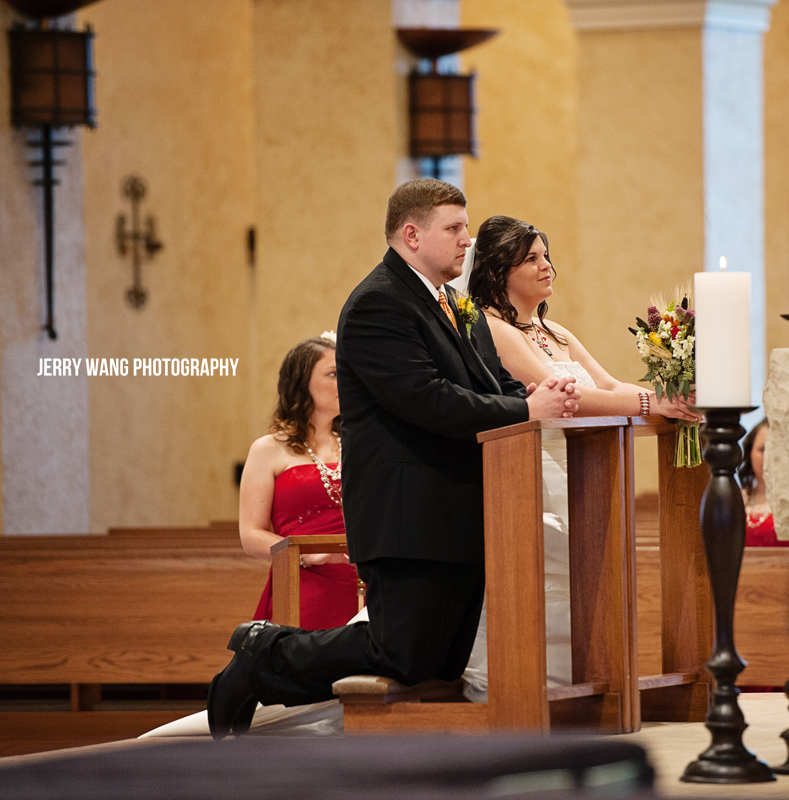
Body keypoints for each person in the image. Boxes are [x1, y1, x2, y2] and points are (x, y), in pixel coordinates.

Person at [206, 180, 580, 739]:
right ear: (412, 234)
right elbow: (424, 398)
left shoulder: (457, 305)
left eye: (465, 227)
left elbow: (490, 382)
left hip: (460, 506)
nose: (465, 239)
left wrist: (534, 396)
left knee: (439, 664)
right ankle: (264, 655)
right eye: (453, 228)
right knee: (399, 653)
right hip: (409, 512)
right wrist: (526, 408)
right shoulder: (378, 302)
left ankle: (269, 656)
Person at [461, 215, 698, 700]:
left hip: (587, 471)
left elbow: (609, 386)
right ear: (498, 271)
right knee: (545, 576)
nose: (547, 266)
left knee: (585, 577)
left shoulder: (557, 332)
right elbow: (567, 395)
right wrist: (654, 403)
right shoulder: (492, 329)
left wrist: (674, 397)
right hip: (534, 469)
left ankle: (583, 690)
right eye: (531, 259)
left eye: (546, 255)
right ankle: (519, 689)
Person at [238, 333, 360, 631]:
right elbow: (251, 535)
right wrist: (306, 554)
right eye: (332, 374)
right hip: (301, 583)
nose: (343, 381)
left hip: (360, 583)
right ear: (300, 381)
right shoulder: (268, 449)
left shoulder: (360, 444)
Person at [738, 417, 789, 547]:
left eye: (776, 450)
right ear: (750, 452)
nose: (769, 457)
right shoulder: (736, 499)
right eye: (763, 449)